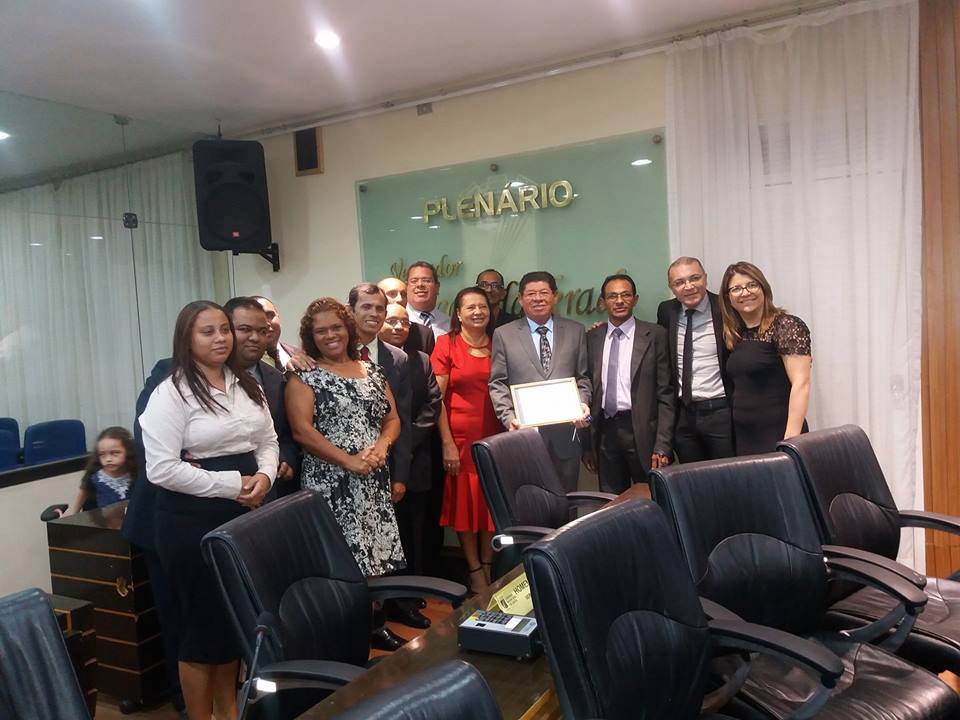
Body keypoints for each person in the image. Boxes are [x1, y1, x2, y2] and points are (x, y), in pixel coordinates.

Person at [139, 300, 278, 720]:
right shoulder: (171, 392)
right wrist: (233, 485)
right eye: (208, 331)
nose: (221, 338)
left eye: (224, 329)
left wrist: (265, 477)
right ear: (187, 338)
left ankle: (228, 712)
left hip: (243, 513)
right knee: (201, 632)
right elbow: (161, 469)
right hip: (191, 521)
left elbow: (267, 441)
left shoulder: (246, 384)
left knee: (230, 625)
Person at [285, 298, 406, 648]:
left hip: (372, 479)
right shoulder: (303, 375)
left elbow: (392, 419)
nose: (330, 335)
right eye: (320, 331)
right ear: (310, 337)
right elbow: (302, 431)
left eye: (336, 327)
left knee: (374, 555)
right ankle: (344, 633)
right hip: (330, 484)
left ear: (348, 329)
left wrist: (382, 446)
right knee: (340, 560)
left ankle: (374, 625)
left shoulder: (372, 370)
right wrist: (347, 461)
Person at [489, 271, 591, 492]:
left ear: (555, 296)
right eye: (531, 294)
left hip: (567, 435)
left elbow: (583, 377)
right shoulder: (504, 334)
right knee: (531, 500)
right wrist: (509, 418)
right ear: (520, 298)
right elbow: (497, 383)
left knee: (567, 499)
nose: (538, 298)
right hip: (525, 436)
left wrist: (582, 404)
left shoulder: (575, 331)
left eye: (544, 293)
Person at [431, 286, 502, 594]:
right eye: (470, 307)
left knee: (490, 505)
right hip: (460, 441)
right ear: (458, 314)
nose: (477, 312)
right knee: (465, 507)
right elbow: (437, 399)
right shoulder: (446, 344)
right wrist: (447, 442)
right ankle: (473, 570)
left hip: (497, 438)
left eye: (482, 306)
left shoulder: (500, 343)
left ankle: (488, 565)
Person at [583, 274, 675, 493]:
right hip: (605, 431)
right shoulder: (592, 338)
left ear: (635, 299)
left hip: (643, 431)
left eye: (625, 295)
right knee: (611, 500)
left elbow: (666, 394)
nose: (619, 301)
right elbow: (586, 388)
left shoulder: (655, 335)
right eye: (612, 296)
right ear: (603, 302)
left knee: (652, 495)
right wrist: (587, 446)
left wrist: (663, 444)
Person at [379, 303, 442, 613]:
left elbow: (433, 404)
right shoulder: (361, 359)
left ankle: (411, 595)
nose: (398, 327)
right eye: (391, 321)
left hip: (415, 457)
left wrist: (405, 440)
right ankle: (385, 599)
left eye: (404, 322)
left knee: (414, 531)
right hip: (373, 459)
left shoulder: (421, 359)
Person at [719, 261, 812, 455]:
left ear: (764, 288)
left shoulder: (786, 326)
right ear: (728, 298)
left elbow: (801, 384)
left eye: (752, 285)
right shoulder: (735, 334)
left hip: (779, 432)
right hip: (745, 436)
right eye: (736, 289)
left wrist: (790, 440)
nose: (745, 293)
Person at [656, 257, 734, 462]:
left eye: (694, 278)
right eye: (679, 282)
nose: (688, 286)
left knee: (726, 474)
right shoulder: (666, 311)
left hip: (721, 412)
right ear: (671, 287)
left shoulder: (725, 307)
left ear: (705, 278)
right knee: (689, 476)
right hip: (682, 416)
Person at [223, 296, 300, 497]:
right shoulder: (180, 375)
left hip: (268, 492)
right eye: (245, 329)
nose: (255, 338)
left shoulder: (278, 378)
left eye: (262, 331)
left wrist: (286, 458)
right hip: (208, 494)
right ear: (226, 330)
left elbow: (287, 434)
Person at [62, 427, 137, 515]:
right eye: (102, 454)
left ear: (128, 451)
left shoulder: (137, 475)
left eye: (115, 453)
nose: (108, 459)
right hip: (104, 522)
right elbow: (78, 503)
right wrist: (68, 516)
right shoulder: (95, 478)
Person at [252, 295, 300, 369]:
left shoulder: (299, 354)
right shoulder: (241, 363)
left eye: (270, 316)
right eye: (257, 318)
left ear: (279, 318)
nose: (266, 323)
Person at [406, 261, 451, 336]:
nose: (420, 285)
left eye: (426, 281)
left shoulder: (450, 324)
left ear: (437, 287)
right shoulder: (396, 321)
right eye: (414, 281)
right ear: (406, 287)